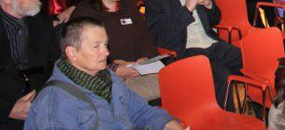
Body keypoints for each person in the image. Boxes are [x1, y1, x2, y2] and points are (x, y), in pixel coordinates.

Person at [24, 17, 182, 129]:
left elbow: (139, 109)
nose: (106, 52)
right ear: (72, 53)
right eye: (96, 46)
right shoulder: (54, 104)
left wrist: (166, 122)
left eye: (105, 44)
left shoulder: (106, 76)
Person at [144, 0, 243, 106]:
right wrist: (187, 9)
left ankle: (263, 112)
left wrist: (208, 4)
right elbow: (160, 36)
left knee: (250, 61)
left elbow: (215, 20)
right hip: (184, 50)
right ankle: (222, 118)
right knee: (221, 76)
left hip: (210, 43)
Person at [71, 0, 161, 101]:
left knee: (175, 82)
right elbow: (81, 55)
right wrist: (114, 70)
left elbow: (145, 37)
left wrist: (145, 58)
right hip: (105, 76)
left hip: (138, 68)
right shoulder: (85, 13)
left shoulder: (128, 6)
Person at [0, 0, 59, 129]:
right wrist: (7, 109)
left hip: (40, 106)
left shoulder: (41, 20)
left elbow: (54, 63)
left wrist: (40, 97)